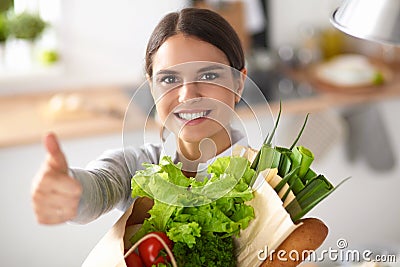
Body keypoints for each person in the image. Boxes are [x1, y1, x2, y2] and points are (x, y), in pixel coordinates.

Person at [31, 7, 327, 266]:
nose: (188, 95)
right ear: (151, 87)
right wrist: (72, 192)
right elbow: (102, 184)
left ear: (239, 84)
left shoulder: (269, 183)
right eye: (169, 79)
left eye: (209, 76)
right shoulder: (141, 167)